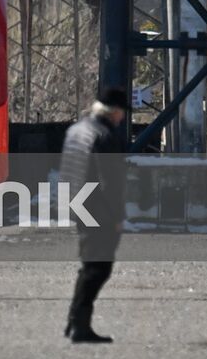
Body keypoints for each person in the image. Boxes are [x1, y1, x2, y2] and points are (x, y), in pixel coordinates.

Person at [60, 85, 128, 344]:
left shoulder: (77, 130)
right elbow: (110, 182)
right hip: (98, 208)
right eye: (122, 112)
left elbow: (67, 171)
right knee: (99, 268)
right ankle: (80, 326)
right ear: (115, 112)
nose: (123, 118)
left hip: (78, 204)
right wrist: (117, 216)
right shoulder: (104, 135)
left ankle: (75, 321)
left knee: (90, 265)